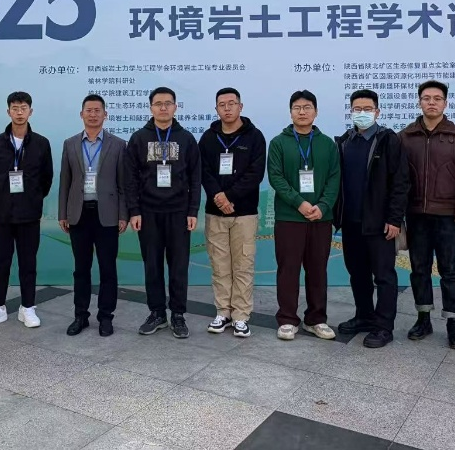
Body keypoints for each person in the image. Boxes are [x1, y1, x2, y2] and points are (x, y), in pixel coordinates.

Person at [400, 80, 455, 350]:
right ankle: (423, 319)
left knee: (450, 271)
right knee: (419, 269)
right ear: (419, 102)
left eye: (437, 98)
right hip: (416, 216)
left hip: (448, 217)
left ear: (445, 103)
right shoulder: (404, 137)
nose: (431, 102)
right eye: (426, 98)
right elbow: (396, 178)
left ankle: (453, 324)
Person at [334, 89, 409, 349]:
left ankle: (384, 326)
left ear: (377, 112)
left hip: (380, 224)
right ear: (351, 112)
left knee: (384, 276)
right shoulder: (344, 141)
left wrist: (394, 219)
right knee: (358, 274)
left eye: (367, 109)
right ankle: (364, 316)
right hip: (351, 222)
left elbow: (400, 182)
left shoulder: (388, 140)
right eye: (357, 109)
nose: (362, 113)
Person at [125, 87, 201, 339]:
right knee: (152, 266)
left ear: (175, 107)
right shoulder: (139, 138)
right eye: (158, 103)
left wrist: (192, 210)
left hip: (179, 212)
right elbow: (130, 178)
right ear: (151, 108)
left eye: (168, 103)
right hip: (148, 212)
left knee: (178, 266)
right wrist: (134, 210)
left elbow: (195, 177)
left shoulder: (186, 139)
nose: (163, 107)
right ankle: (157, 312)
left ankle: (178, 314)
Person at [268, 90, 340, 341]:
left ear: (316, 112)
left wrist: (323, 205)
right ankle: (287, 319)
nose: (302, 112)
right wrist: (299, 203)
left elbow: (334, 178)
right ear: (290, 112)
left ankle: (316, 319)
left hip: (320, 217)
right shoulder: (279, 143)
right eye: (297, 108)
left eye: (307, 107)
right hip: (289, 217)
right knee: (288, 270)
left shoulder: (327, 144)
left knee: (318, 269)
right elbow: (276, 177)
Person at [0, 91, 53, 330]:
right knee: (0, 262)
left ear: (31, 111)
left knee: (28, 263)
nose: (19, 113)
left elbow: (47, 178)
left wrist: (33, 198)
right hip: (1, 215)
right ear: (8, 111)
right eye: (15, 108)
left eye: (23, 108)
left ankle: (27, 307)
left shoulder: (41, 143)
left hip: (29, 214)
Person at [199, 87, 267, 338]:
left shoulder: (255, 137)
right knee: (220, 266)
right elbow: (203, 171)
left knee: (243, 265)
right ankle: (223, 312)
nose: (227, 108)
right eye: (222, 105)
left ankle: (241, 315)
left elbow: (255, 174)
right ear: (216, 109)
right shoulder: (208, 138)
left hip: (244, 213)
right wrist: (218, 197)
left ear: (241, 106)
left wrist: (229, 197)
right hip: (215, 213)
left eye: (231, 103)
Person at [58, 94, 127, 337]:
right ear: (82, 114)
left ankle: (106, 317)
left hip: (107, 215)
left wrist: (123, 214)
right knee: (81, 269)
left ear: (105, 114)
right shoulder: (70, 144)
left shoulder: (118, 145)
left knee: (108, 269)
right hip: (79, 215)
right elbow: (65, 182)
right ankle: (81, 316)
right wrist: (63, 213)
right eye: (89, 110)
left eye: (98, 110)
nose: (93, 114)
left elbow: (123, 184)